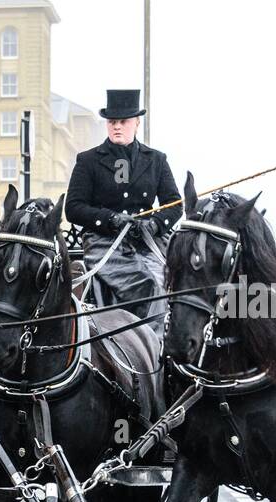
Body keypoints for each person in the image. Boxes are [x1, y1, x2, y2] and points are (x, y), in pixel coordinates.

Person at [66, 89, 182, 325]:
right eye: (112, 122)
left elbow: (175, 205)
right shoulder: (88, 160)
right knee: (147, 287)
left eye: (123, 121)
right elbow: (73, 208)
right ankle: (153, 350)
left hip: (149, 241)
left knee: (182, 282)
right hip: (104, 242)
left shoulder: (157, 160)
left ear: (136, 123)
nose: (117, 126)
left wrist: (155, 224)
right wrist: (110, 219)